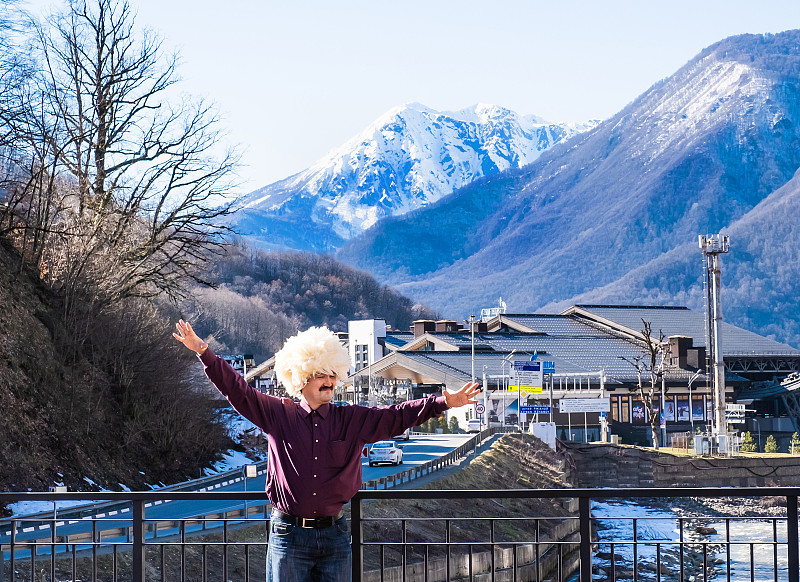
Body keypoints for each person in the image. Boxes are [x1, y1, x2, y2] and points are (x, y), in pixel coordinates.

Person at [173, 320, 480, 582]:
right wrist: (204, 352)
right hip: (288, 535)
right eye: (322, 374)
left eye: (333, 374)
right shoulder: (278, 414)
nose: (330, 381)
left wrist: (442, 402)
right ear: (303, 377)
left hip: (335, 535)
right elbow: (237, 391)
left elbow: (396, 416)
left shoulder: (352, 419)